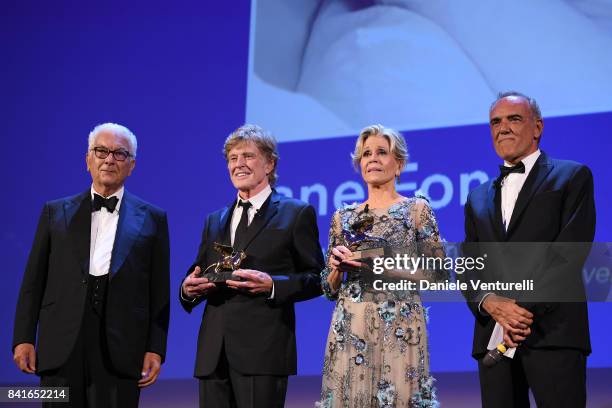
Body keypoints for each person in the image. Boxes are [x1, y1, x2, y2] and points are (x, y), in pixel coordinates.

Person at [12, 123, 170, 407]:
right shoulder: (54, 212)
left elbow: (159, 292)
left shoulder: (153, 218)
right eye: (101, 151)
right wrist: (23, 338)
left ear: (132, 165)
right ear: (88, 160)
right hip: (60, 345)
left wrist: (155, 348)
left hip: (122, 349)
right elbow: (33, 281)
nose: (109, 159)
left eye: (120, 154)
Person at [463, 91, 596, 407]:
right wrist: (490, 303)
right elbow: (469, 265)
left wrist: (519, 312)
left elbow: (569, 251)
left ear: (537, 127)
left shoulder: (572, 176)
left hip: (553, 333)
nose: (503, 127)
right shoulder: (477, 197)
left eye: (514, 119)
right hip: (494, 341)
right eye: (496, 121)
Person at [179, 124, 324, 408]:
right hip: (213, 354)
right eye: (232, 158)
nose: (238, 164)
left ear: (270, 163)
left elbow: (318, 278)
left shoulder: (295, 213)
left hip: (262, 352)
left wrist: (273, 286)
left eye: (247, 156)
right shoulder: (214, 220)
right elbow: (199, 270)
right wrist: (187, 289)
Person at [317, 124, 447, 408]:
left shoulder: (416, 210)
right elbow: (328, 287)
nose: (372, 158)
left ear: (398, 164)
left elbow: (437, 274)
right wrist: (339, 267)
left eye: (381, 152)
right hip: (352, 324)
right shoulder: (343, 218)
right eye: (366, 154)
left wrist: (378, 262)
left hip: (399, 327)